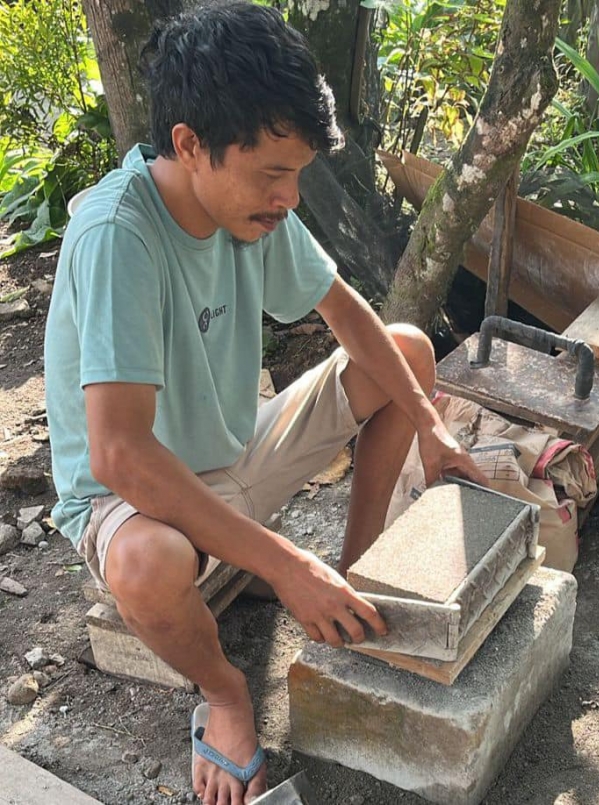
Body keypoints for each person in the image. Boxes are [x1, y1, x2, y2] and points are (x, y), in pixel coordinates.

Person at [44, 3, 486, 804]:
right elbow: (118, 454)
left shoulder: (252, 212)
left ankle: (355, 575)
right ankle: (223, 694)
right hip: (136, 500)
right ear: (189, 144)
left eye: (297, 175)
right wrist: (286, 566)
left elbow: (350, 312)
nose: (288, 197)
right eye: (271, 173)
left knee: (409, 352)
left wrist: (431, 429)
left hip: (234, 450)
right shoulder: (121, 234)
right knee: (149, 566)